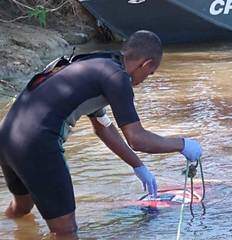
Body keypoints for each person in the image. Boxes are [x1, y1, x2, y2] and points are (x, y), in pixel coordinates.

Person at [0, 30, 202, 238]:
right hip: (37, 143)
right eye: (150, 74)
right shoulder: (118, 78)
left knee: (21, 208)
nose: (145, 80)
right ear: (146, 64)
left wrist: (137, 165)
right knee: (65, 230)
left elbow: (102, 127)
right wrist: (182, 145)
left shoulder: (99, 64)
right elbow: (137, 138)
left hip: (7, 135)